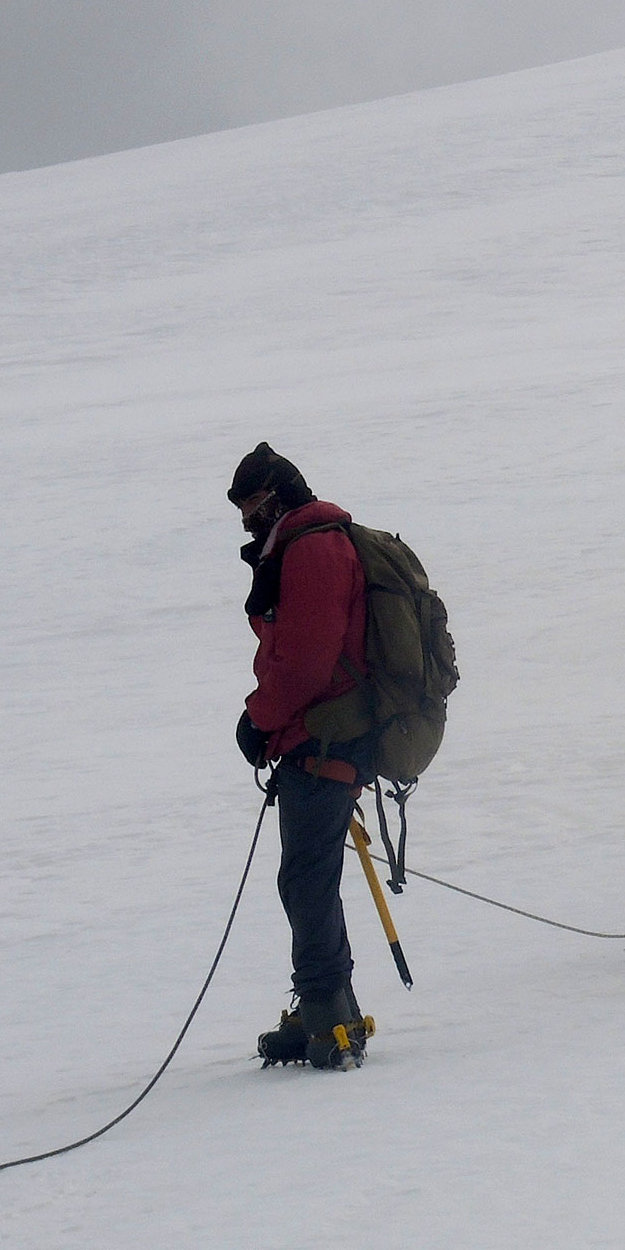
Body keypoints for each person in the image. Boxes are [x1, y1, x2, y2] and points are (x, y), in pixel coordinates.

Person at [229, 443, 379, 1071]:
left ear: (281, 495)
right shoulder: (302, 544)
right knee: (307, 878)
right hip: (314, 734)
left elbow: (308, 660)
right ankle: (328, 1008)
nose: (247, 523)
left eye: (254, 507)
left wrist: (259, 717)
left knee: (307, 880)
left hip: (326, 735)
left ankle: (327, 1016)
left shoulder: (313, 547)